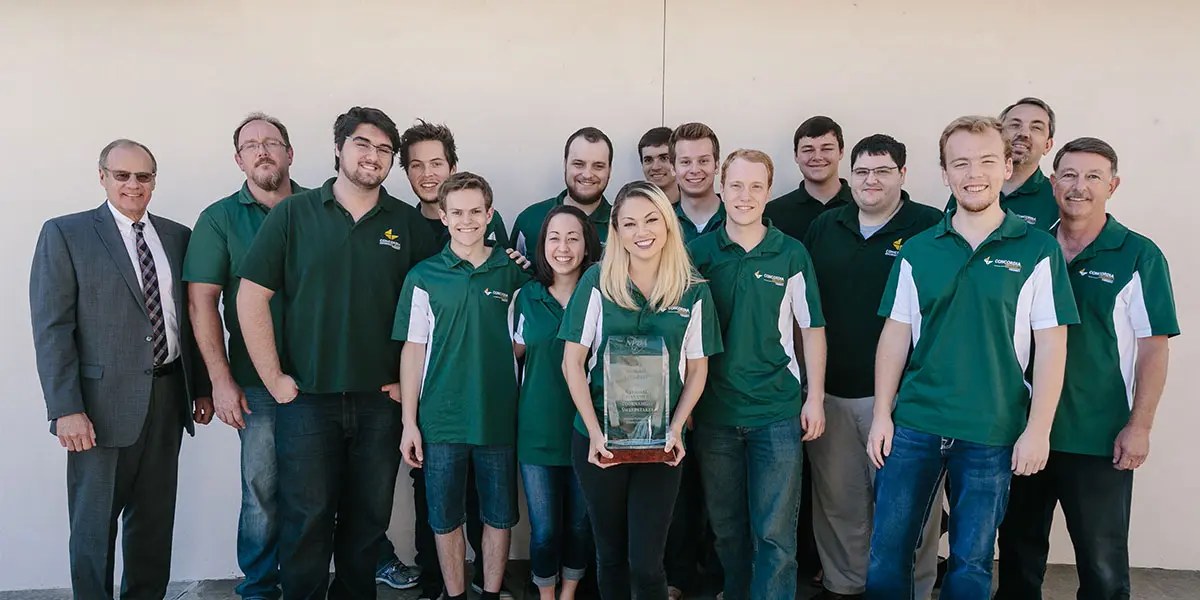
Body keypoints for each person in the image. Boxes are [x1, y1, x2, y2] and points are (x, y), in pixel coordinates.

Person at [865, 116, 1079, 599]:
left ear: (1007, 167)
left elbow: (1051, 345)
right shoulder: (919, 250)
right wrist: (882, 414)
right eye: (959, 163)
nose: (973, 173)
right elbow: (895, 336)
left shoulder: (1037, 250)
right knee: (886, 553)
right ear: (944, 174)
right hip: (914, 424)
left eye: (985, 160)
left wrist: (1037, 429)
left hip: (991, 431)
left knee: (972, 562)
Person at [237, 106, 438, 600]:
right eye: (363, 145)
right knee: (304, 524)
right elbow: (250, 296)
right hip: (306, 400)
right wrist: (274, 378)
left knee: (366, 524)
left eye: (384, 150)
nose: (373, 157)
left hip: (379, 403)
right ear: (338, 148)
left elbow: (437, 308)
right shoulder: (293, 214)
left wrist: (408, 384)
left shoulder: (408, 224)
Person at [995, 137, 1180, 599]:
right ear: (1053, 182)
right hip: (1023, 431)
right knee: (1016, 556)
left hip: (1098, 439)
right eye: (1070, 176)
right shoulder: (1029, 247)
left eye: (1093, 177)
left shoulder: (1138, 255)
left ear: (1113, 185)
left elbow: (1154, 350)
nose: (1079, 187)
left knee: (1101, 565)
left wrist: (1140, 426)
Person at [30, 139, 213, 600]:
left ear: (154, 181)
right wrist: (66, 408)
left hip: (169, 397)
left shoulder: (177, 236)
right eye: (123, 176)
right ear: (103, 177)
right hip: (98, 408)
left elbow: (191, 318)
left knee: (153, 523)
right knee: (94, 528)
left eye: (144, 177)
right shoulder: (66, 233)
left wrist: (202, 388)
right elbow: (53, 328)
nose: (134, 185)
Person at [560, 181, 723, 600]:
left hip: (661, 443)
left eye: (651, 219)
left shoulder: (694, 289)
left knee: (648, 562)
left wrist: (677, 429)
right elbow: (572, 363)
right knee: (611, 554)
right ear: (616, 230)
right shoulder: (597, 281)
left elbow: (698, 369)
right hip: (600, 440)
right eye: (629, 223)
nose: (641, 231)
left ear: (668, 224)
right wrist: (595, 432)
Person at [803, 134, 943, 599]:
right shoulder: (827, 225)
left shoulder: (929, 227)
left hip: (905, 398)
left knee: (909, 508)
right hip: (832, 392)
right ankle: (845, 585)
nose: (871, 180)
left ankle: (913, 589)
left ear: (903, 174)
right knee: (839, 502)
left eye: (882, 171)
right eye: (862, 171)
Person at [688, 149, 827, 600]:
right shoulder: (699, 253)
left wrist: (815, 398)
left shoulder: (790, 253)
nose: (744, 196)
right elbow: (679, 333)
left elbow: (813, 329)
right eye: (736, 185)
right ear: (721, 188)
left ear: (768, 192)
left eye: (755, 186)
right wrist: (683, 404)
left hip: (777, 413)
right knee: (726, 529)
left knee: (775, 534)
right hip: (714, 414)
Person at [182, 113, 308, 600]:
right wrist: (220, 379)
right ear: (238, 159)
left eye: (272, 142)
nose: (263, 151)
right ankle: (259, 586)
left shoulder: (321, 206)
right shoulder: (220, 218)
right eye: (251, 145)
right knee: (261, 490)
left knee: (322, 490)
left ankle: (306, 581)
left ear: (289, 153)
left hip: (324, 376)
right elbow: (202, 302)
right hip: (254, 379)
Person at [395, 172, 531, 600]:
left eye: (476, 211)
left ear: (490, 214)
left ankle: (489, 593)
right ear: (443, 215)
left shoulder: (513, 273)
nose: (467, 220)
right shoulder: (424, 276)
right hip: (441, 420)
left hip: (498, 417)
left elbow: (526, 341)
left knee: (500, 516)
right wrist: (409, 423)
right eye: (457, 212)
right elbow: (413, 351)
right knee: (444, 518)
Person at [512, 205, 603, 600]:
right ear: (541, 245)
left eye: (573, 238)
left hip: (590, 432)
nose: (563, 247)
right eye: (554, 238)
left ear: (587, 247)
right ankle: (546, 595)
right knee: (545, 528)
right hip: (536, 432)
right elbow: (510, 358)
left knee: (582, 525)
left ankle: (569, 593)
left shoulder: (603, 295)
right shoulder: (524, 297)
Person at [943, 97, 1059, 230]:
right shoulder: (971, 187)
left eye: (1036, 128)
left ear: (1048, 146)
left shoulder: (1055, 200)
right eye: (1015, 125)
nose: (1024, 133)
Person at [399, 118, 510, 247]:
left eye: (436, 164)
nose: (427, 173)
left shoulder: (484, 218)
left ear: (452, 169)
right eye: (417, 165)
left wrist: (517, 260)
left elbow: (503, 261)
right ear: (407, 172)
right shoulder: (402, 226)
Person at [512, 127, 614, 257]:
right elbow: (510, 274)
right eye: (578, 164)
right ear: (565, 164)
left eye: (598, 166)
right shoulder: (530, 220)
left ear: (609, 170)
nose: (587, 174)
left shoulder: (623, 224)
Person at [765, 116, 854, 242]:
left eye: (826, 149)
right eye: (808, 150)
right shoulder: (772, 214)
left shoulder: (862, 206)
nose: (817, 157)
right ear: (796, 155)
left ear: (841, 152)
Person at [671, 122, 725, 242]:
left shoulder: (737, 217)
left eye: (703, 161)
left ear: (716, 165)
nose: (694, 170)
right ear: (672, 168)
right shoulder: (661, 220)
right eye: (685, 162)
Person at [638, 126, 679, 204]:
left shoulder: (694, 207)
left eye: (664, 158)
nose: (655, 167)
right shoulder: (635, 209)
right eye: (648, 160)